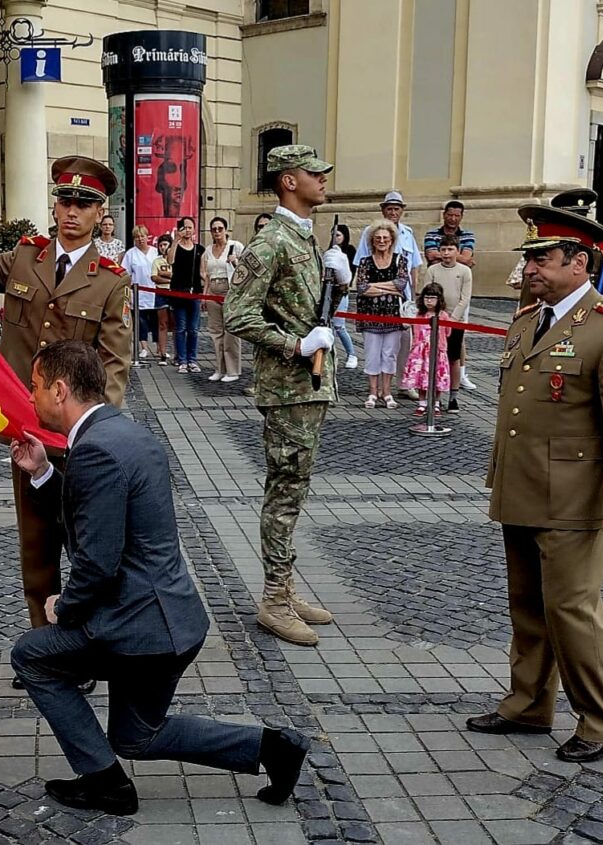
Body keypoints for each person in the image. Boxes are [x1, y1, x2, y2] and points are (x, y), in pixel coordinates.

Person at [9, 340, 310, 815]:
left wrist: (62, 608)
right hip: (171, 621)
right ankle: (273, 748)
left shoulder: (95, 452)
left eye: (36, 387)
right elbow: (101, 516)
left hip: (141, 628)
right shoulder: (121, 433)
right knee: (136, 735)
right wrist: (45, 473)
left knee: (32, 655)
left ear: (61, 390)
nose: (31, 397)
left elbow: (98, 563)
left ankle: (106, 784)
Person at [0, 155, 131, 661]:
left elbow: (115, 366)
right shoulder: (24, 260)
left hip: (76, 440)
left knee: (84, 548)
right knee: (36, 550)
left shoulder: (109, 279)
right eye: (65, 201)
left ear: (100, 213)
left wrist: (95, 433)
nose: (72, 211)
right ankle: (46, 644)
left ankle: (83, 642)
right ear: (54, 206)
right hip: (29, 434)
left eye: (84, 203)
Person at [469, 204, 603, 763]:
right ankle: (529, 703)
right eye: (529, 258)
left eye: (542, 259)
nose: (529, 268)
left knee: (573, 609)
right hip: (523, 490)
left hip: (577, 502)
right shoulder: (529, 320)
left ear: (579, 263)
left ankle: (602, 718)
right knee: (528, 606)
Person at [223, 145, 351, 646]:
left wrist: (340, 283)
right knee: (284, 490)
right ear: (289, 181)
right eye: (314, 174)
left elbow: (307, 309)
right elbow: (238, 315)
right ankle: (274, 599)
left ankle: (285, 587)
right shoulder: (271, 241)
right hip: (288, 387)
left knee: (294, 488)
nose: (324, 180)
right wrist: (295, 345)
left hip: (310, 385)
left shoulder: (305, 237)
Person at [354, 191, 423, 398]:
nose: (393, 212)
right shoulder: (370, 232)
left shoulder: (407, 234)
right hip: (373, 302)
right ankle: (378, 390)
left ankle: (403, 383)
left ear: (402, 211)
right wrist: (388, 287)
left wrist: (413, 294)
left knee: (402, 344)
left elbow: (413, 268)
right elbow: (362, 272)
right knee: (376, 348)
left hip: (401, 301)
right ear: (383, 210)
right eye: (389, 209)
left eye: (397, 209)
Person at [353, 219, 410, 409]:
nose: (382, 241)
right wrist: (389, 288)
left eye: (385, 237)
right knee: (371, 355)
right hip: (370, 316)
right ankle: (372, 392)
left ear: (392, 239)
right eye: (378, 238)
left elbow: (401, 284)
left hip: (393, 316)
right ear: (372, 240)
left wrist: (375, 286)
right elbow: (361, 287)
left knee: (389, 355)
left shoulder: (400, 260)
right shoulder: (365, 262)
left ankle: (386, 392)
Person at [424, 201, 477, 389]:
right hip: (436, 308)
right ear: (444, 214)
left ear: (461, 216)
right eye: (450, 215)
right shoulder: (431, 234)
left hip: (457, 309)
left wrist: (453, 258)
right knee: (432, 350)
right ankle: (433, 387)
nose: (453, 219)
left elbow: (468, 258)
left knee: (456, 345)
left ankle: (460, 376)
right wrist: (456, 256)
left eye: (457, 215)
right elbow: (430, 256)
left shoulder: (468, 235)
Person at [422, 234, 472, 412]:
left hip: (455, 321)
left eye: (450, 249)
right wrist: (435, 316)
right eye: (443, 249)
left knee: (453, 359)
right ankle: (434, 396)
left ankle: (453, 396)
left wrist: (451, 320)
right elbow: (427, 293)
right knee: (434, 359)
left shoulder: (465, 271)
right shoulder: (433, 270)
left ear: (457, 251)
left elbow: (464, 298)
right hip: (435, 321)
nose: (446, 253)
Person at [202, 217, 244, 382]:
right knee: (216, 333)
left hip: (230, 290)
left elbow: (247, 269)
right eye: (214, 229)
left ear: (226, 230)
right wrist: (204, 296)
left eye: (220, 228)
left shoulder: (236, 246)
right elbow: (207, 275)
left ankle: (233, 371)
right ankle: (220, 368)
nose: (217, 232)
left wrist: (236, 261)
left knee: (231, 332)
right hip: (213, 289)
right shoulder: (208, 250)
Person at [401, 282, 450, 417]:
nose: (429, 301)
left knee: (437, 379)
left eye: (432, 298)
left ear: (439, 300)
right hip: (420, 353)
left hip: (437, 351)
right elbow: (414, 330)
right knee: (421, 378)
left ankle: (436, 404)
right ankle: (422, 403)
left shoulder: (443, 315)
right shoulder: (419, 315)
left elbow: (447, 332)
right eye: (426, 297)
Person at [166, 216, 206, 373]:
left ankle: (192, 359)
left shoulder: (199, 249)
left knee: (194, 329)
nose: (187, 230)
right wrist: (176, 240)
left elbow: (203, 271)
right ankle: (181, 360)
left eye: (190, 227)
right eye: (184, 227)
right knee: (180, 327)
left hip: (194, 291)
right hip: (178, 292)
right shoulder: (175, 246)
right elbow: (170, 260)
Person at [120, 226, 160, 360]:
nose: (140, 239)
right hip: (138, 293)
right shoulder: (130, 254)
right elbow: (125, 274)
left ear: (147, 237)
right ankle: (144, 347)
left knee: (156, 321)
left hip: (155, 292)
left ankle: (159, 346)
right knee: (140, 321)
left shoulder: (155, 252)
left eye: (142, 236)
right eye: (137, 237)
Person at [326, 225, 358, 369]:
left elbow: (349, 272)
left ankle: (351, 354)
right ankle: (331, 355)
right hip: (328, 291)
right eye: (333, 235)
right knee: (328, 326)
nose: (335, 238)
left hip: (341, 290)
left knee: (339, 325)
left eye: (338, 235)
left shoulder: (349, 250)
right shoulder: (329, 251)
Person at [150, 233, 174, 365]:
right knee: (162, 324)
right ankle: (163, 353)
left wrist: (164, 274)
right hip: (161, 292)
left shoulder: (176, 259)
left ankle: (178, 354)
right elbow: (154, 277)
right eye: (160, 245)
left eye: (165, 244)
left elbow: (177, 276)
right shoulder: (156, 261)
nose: (162, 247)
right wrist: (169, 277)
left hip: (175, 292)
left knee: (176, 324)